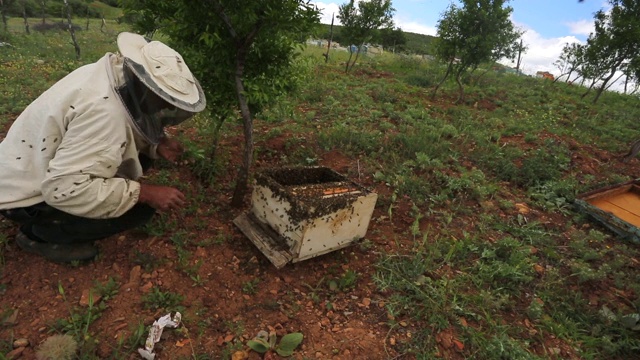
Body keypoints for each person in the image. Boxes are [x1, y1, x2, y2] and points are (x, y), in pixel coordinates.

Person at [0, 32, 206, 263]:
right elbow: (62, 189)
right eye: (164, 97)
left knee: (141, 162)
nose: (166, 105)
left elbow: (132, 120)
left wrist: (155, 146)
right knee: (140, 210)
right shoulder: (104, 115)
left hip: (26, 164)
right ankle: (41, 235)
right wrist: (145, 194)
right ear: (146, 85)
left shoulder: (111, 74)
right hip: (25, 195)